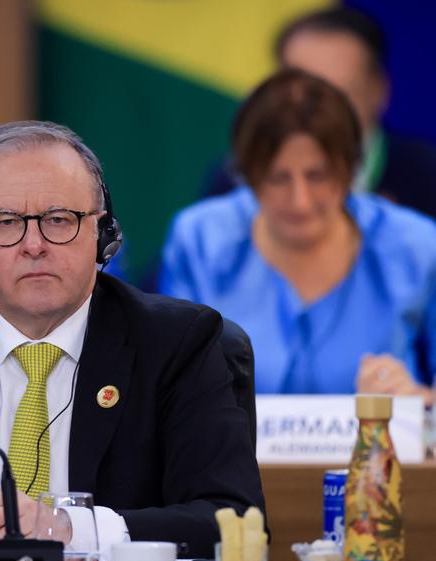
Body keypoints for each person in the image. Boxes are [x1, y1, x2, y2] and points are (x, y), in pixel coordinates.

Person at [0, 121, 265, 561]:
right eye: (5, 223)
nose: (34, 245)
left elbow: (232, 517)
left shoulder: (178, 342)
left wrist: (67, 528)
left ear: (102, 233)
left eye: (59, 220)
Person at [159, 68, 436, 402]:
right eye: (278, 178)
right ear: (247, 173)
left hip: (375, 454)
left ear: (350, 169)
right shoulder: (201, 239)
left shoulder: (416, 245)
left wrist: (420, 399)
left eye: (318, 175)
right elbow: (170, 384)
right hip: (227, 455)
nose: (300, 201)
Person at [203, 6, 436, 219]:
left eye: (342, 95)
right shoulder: (236, 179)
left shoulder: (428, 178)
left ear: (379, 91)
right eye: (304, 94)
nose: (320, 113)